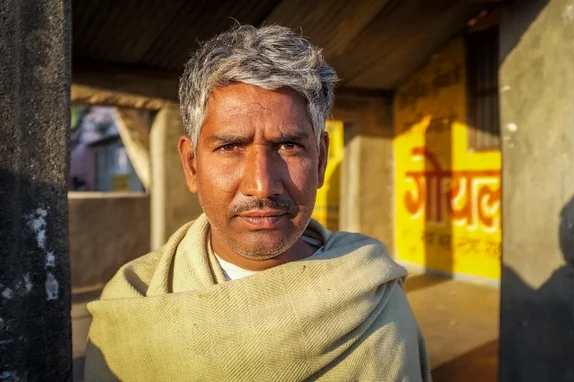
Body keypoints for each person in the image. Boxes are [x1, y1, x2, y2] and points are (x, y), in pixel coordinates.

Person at [85, 24, 431, 382]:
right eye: (231, 147)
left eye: (289, 146)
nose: (262, 185)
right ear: (191, 165)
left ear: (321, 161)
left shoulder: (375, 293)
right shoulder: (131, 307)